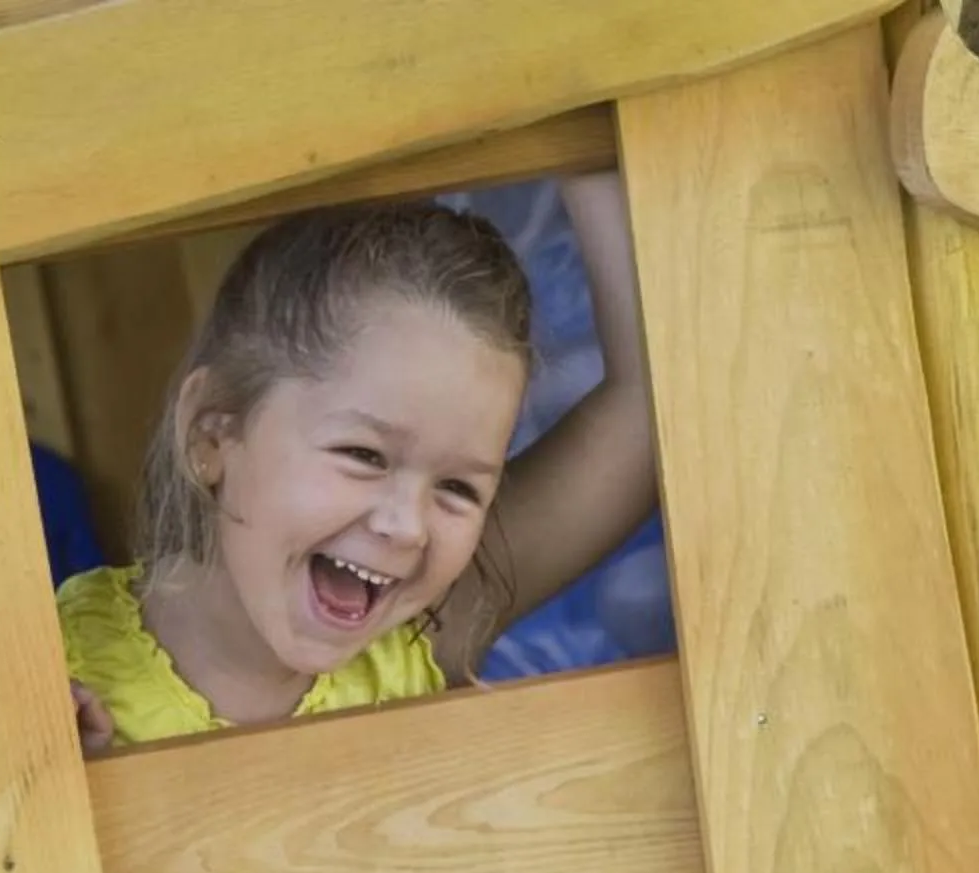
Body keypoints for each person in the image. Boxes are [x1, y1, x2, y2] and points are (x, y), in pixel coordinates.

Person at [62, 175, 656, 750]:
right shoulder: (51, 672)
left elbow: (648, 412)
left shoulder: (432, 629)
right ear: (213, 432)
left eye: (458, 488)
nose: (406, 524)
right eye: (364, 455)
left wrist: (591, 149)